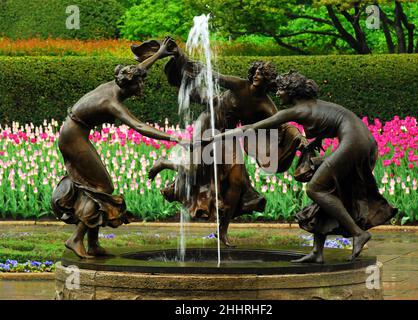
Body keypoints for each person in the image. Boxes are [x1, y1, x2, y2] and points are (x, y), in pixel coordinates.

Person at [133, 41, 306, 247]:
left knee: (237, 182)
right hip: (208, 125)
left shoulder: (266, 105)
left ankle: (222, 231)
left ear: (269, 81)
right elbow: (213, 76)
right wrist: (185, 61)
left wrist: (299, 138)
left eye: (263, 74)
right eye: (257, 72)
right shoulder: (240, 85)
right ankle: (164, 163)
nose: (258, 75)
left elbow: (282, 123)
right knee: (196, 168)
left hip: (228, 136)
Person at [211, 71, 397, 262]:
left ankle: (358, 233)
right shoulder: (314, 106)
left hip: (354, 142)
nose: (277, 93)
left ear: (291, 92)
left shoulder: (296, 110)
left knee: (315, 188)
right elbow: (336, 120)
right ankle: (318, 252)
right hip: (364, 141)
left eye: (281, 89)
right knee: (327, 193)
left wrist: (212, 138)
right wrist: (319, 139)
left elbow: (250, 128)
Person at [52, 37, 183, 259]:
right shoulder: (111, 102)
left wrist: (160, 53)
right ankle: (75, 238)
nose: (142, 86)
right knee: (103, 186)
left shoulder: (120, 81)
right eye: (140, 85)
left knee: (94, 185)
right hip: (72, 137)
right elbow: (139, 126)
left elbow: (139, 69)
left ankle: (92, 244)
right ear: (130, 85)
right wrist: (173, 137)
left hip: (75, 133)